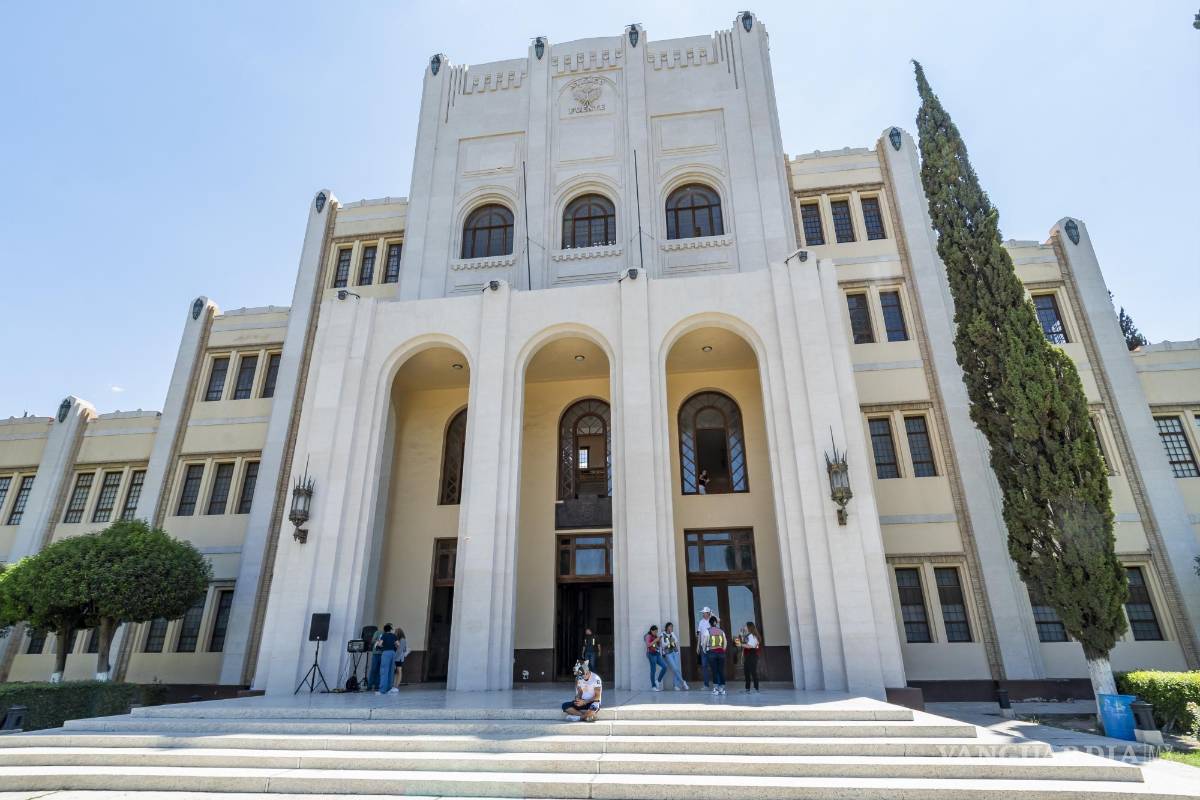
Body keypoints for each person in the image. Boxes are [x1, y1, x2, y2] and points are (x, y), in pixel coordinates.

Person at [658, 622, 688, 691]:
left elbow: (676, 641)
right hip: (668, 653)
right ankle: (683, 682)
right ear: (667, 627)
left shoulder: (672, 633)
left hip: (675, 652)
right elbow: (663, 645)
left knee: (677, 668)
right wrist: (671, 642)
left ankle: (676, 685)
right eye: (670, 626)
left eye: (672, 627)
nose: (671, 628)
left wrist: (671, 640)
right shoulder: (662, 634)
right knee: (674, 668)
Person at [706, 615, 727, 695]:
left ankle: (715, 689)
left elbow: (705, 641)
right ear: (716, 623)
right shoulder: (721, 631)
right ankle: (722, 689)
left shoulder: (708, 631)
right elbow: (725, 642)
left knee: (714, 671)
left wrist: (705, 649)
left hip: (712, 652)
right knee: (721, 670)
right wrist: (723, 649)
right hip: (721, 653)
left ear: (710, 623)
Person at [377, 623, 400, 695]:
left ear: (385, 630)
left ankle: (382, 690)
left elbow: (380, 644)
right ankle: (389, 689)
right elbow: (398, 645)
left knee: (384, 671)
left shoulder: (384, 635)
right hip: (393, 653)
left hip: (386, 653)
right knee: (391, 671)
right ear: (390, 629)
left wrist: (380, 645)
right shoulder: (394, 636)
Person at [739, 621, 761, 693]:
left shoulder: (752, 636)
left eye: (745, 626)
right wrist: (741, 635)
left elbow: (750, 646)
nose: (744, 627)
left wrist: (741, 644)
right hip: (749, 655)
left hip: (752, 655)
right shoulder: (749, 635)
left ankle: (756, 688)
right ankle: (747, 688)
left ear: (749, 627)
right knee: (747, 672)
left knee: (753, 672)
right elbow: (746, 644)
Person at [644, 625, 667, 691]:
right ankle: (653, 686)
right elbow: (648, 645)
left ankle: (658, 681)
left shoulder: (655, 636)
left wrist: (659, 642)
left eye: (657, 632)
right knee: (653, 670)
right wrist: (655, 640)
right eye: (655, 631)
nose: (656, 633)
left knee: (665, 667)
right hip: (651, 654)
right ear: (651, 630)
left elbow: (657, 646)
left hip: (657, 654)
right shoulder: (648, 636)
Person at [695, 606, 713, 688]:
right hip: (703, 646)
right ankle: (706, 684)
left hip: (711, 646)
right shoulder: (701, 622)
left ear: (708, 613)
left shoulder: (712, 621)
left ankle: (717, 683)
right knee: (704, 665)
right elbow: (699, 635)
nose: (703, 614)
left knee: (713, 665)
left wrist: (712, 614)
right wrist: (698, 646)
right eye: (703, 613)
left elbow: (719, 620)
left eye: (704, 613)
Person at [367, 628, 384, 692]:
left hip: (383, 654)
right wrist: (379, 641)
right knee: (373, 669)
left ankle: (377, 685)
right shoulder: (377, 632)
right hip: (376, 653)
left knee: (380, 670)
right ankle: (370, 685)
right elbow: (372, 641)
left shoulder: (387, 634)